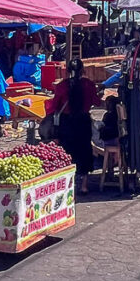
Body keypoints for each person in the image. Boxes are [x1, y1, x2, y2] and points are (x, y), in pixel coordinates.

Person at [46, 58, 99, 194]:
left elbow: (54, 106)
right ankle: (84, 186)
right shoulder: (88, 84)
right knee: (84, 150)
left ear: (68, 71)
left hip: (67, 123)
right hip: (83, 122)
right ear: (82, 70)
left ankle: (68, 183)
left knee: (67, 152)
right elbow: (97, 102)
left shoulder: (62, 86)